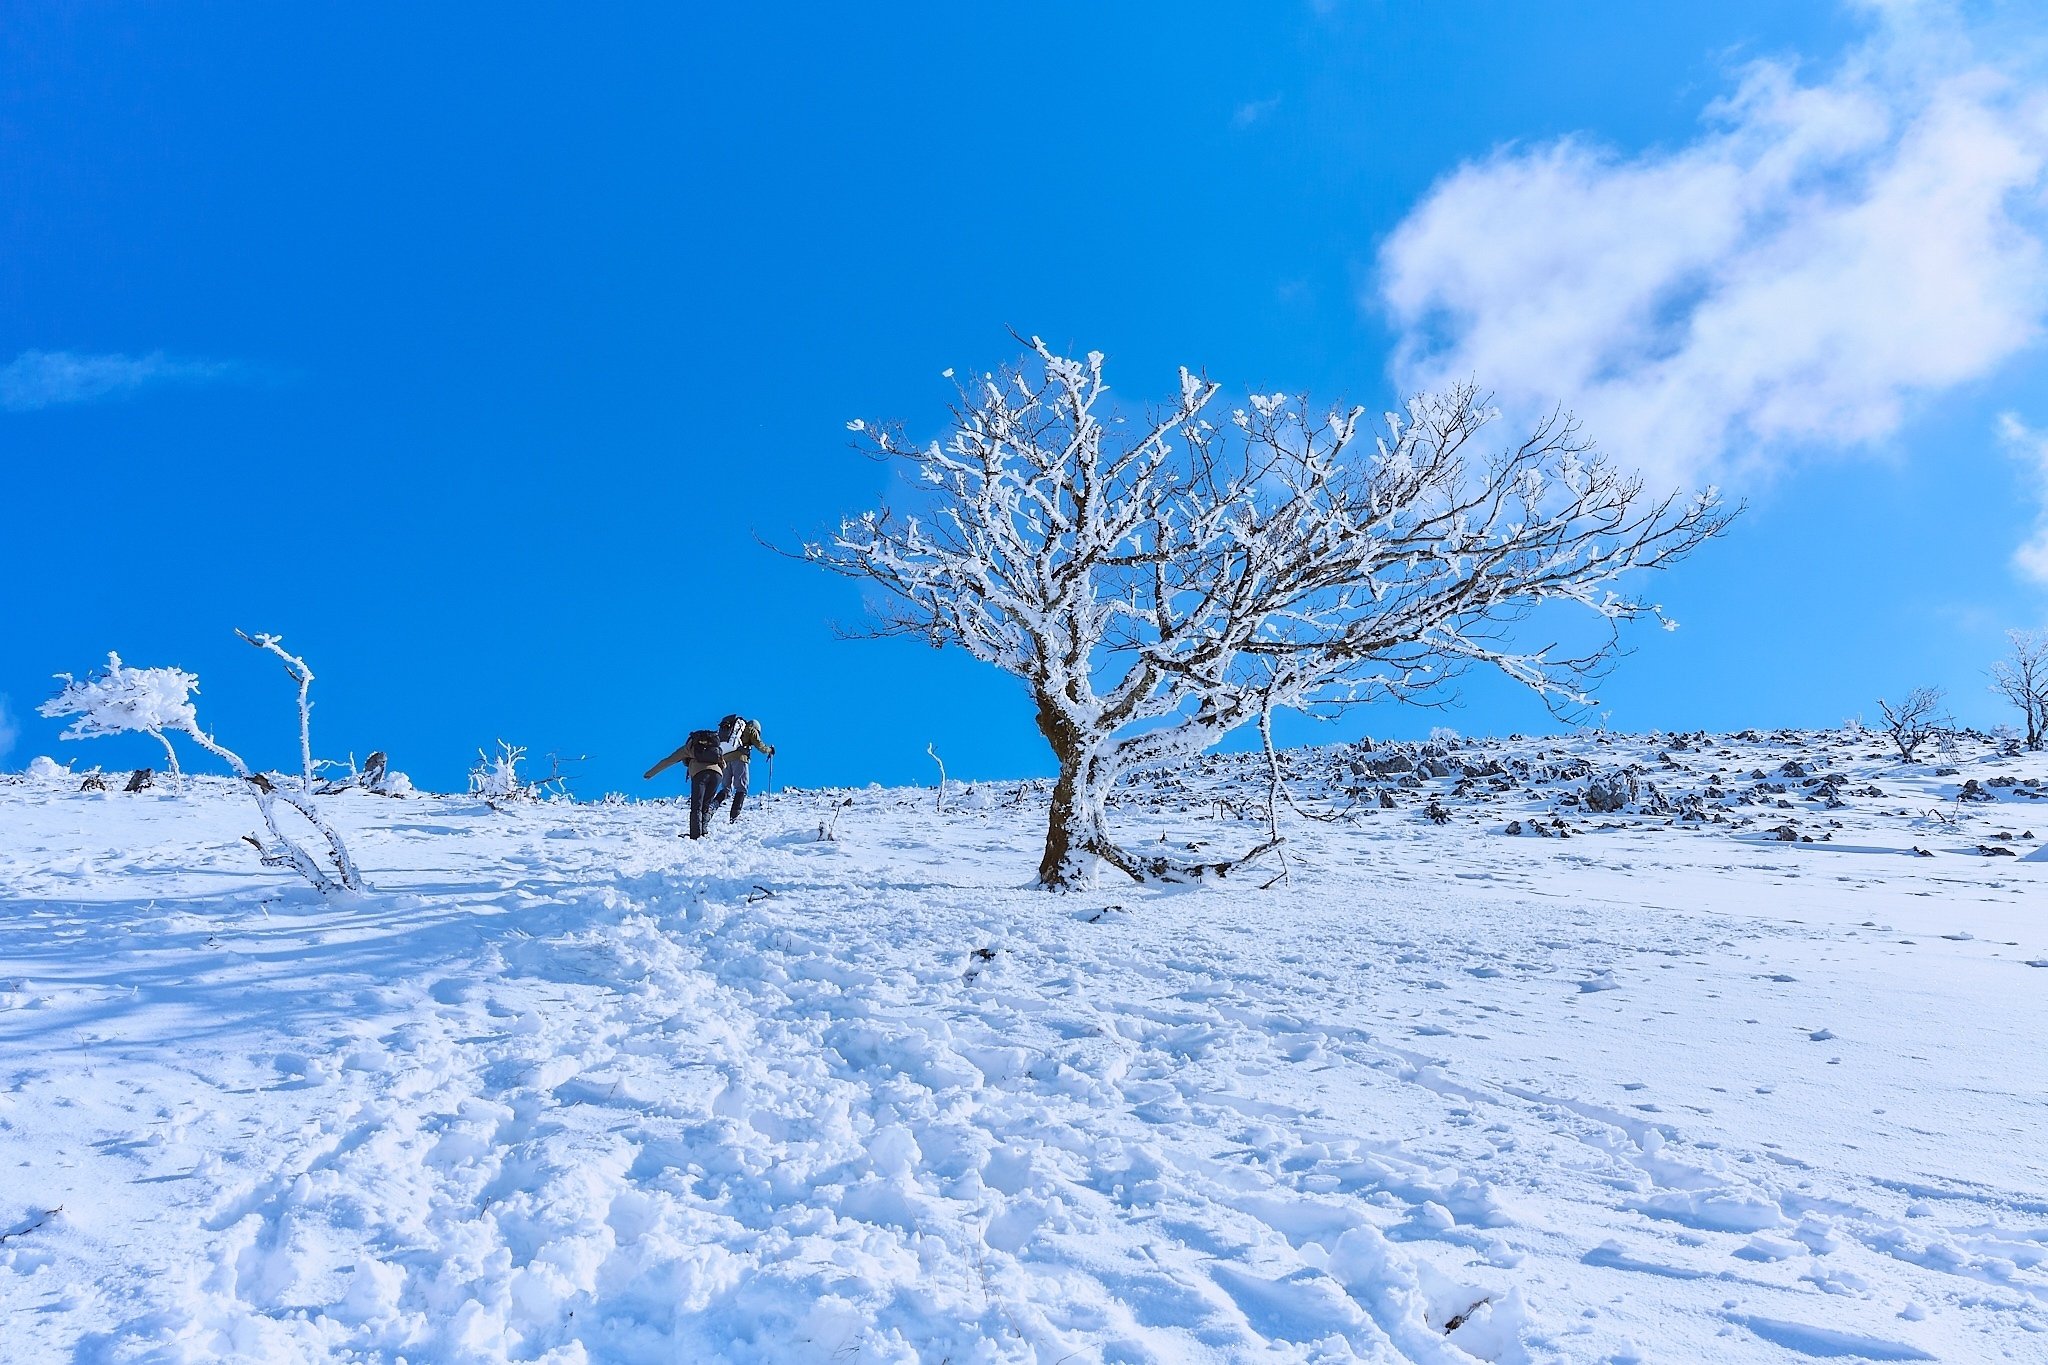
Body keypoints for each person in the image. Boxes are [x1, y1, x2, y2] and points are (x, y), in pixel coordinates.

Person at [644, 728, 727, 838]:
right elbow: (723, 764)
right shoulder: (714, 749)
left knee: (696, 805)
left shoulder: (688, 749)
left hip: (700, 774)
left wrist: (650, 774)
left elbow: (668, 761)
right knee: (705, 805)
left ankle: (695, 835)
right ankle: (703, 832)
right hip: (717, 775)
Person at [713, 713, 775, 822]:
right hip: (740, 759)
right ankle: (734, 816)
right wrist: (769, 750)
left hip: (725, 760)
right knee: (741, 787)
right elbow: (759, 745)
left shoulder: (734, 730)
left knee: (726, 789)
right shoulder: (750, 729)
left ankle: (713, 806)